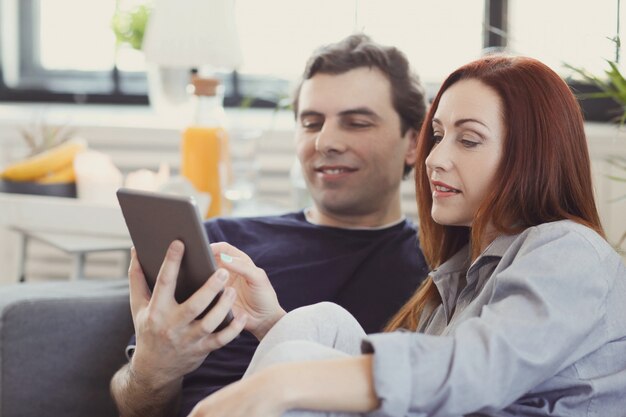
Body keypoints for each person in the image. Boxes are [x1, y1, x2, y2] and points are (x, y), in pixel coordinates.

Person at [185, 55, 626, 417]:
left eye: (468, 140)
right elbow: (411, 390)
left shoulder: (571, 251)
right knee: (318, 322)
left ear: (531, 154)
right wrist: (272, 326)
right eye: (438, 136)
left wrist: (284, 381)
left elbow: (472, 371)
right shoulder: (459, 273)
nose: (435, 159)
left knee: (297, 363)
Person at [110, 34, 430, 417]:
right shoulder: (221, 244)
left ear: (414, 142)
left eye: (357, 123)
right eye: (311, 123)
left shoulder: (436, 269)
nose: (325, 141)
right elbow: (131, 403)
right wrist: (150, 370)